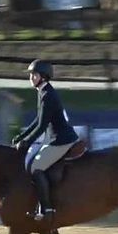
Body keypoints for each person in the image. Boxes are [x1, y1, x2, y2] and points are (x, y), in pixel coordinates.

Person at [12, 59, 80, 222]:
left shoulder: (47, 95)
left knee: (36, 167)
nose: (31, 78)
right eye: (30, 75)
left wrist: (27, 142)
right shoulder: (44, 91)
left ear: (43, 76)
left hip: (61, 140)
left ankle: (47, 209)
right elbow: (38, 120)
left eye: (34, 75)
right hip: (54, 138)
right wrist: (22, 136)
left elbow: (42, 126)